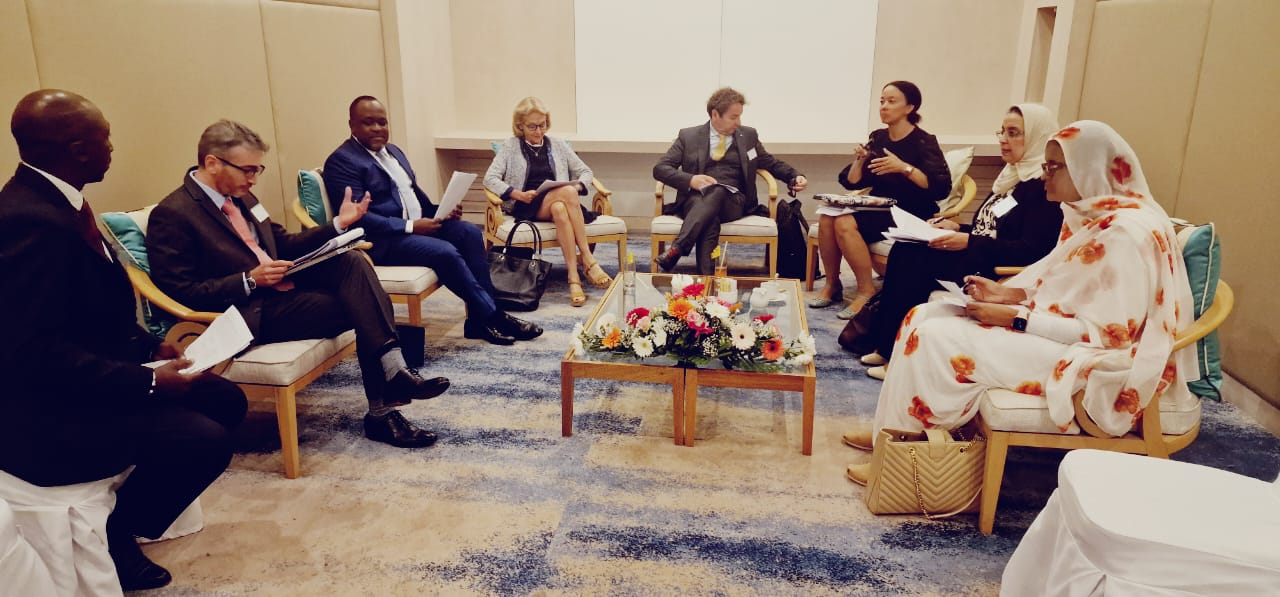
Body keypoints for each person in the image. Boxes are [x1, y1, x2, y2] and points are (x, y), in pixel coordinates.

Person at [844, 121, 1198, 486]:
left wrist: (1015, 318)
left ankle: (904, 463)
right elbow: (1067, 294)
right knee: (924, 314)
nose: (1044, 175)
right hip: (1064, 337)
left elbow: (1108, 337)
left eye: (1054, 167)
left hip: (1101, 362)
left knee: (935, 338)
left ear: (1088, 168)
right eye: (1045, 165)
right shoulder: (1093, 216)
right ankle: (889, 432)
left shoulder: (1126, 234)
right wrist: (1008, 295)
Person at [0, 90, 247, 591]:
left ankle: (125, 517)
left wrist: (150, 348)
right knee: (202, 441)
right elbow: (32, 352)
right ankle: (117, 533)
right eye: (105, 137)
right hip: (47, 411)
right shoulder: (27, 221)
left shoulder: (62, 203)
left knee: (225, 400)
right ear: (78, 149)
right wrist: (149, 382)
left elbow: (90, 313)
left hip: (91, 375)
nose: (112, 147)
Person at [147, 119, 449, 450]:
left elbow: (282, 243)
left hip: (282, 289)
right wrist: (248, 280)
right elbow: (181, 290)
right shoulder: (173, 213)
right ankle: (385, 404)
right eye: (248, 170)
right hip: (247, 311)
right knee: (362, 303)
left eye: (258, 169)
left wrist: (338, 225)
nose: (254, 179)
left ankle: (392, 377)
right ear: (212, 163)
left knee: (352, 262)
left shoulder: (242, 197)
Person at [845, 104, 1064, 379]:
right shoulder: (1011, 179)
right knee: (906, 248)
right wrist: (957, 227)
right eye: (1002, 132)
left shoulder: (1042, 188)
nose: (1003, 140)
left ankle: (897, 358)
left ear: (1036, 137)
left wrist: (968, 241)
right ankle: (887, 344)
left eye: (1014, 133)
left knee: (914, 260)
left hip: (994, 269)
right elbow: (991, 228)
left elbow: (1031, 250)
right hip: (980, 253)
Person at [325, 95, 542, 342]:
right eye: (368, 122)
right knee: (444, 252)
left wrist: (442, 211)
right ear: (352, 125)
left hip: (413, 228)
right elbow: (359, 218)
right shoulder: (342, 161)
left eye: (382, 122)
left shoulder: (394, 152)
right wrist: (410, 226)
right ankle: (494, 316)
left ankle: (477, 323)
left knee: (469, 232)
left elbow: (414, 198)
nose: (377, 128)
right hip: (379, 240)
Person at [810, 81, 950, 319]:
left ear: (910, 107)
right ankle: (832, 284)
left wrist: (904, 168)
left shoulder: (924, 141)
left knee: (844, 222)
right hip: (879, 207)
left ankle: (866, 291)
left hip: (911, 211)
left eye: (891, 101)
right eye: (882, 101)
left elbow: (941, 188)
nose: (884, 106)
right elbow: (851, 181)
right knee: (826, 216)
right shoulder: (878, 137)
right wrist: (860, 160)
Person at [653, 87, 808, 274]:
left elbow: (770, 163)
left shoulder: (748, 136)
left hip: (734, 202)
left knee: (717, 191)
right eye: (733, 117)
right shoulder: (689, 136)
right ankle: (708, 281)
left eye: (740, 116)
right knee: (710, 219)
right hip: (695, 200)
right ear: (715, 114)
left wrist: (793, 176)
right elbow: (660, 169)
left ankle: (677, 248)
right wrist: (691, 180)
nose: (738, 122)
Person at [484, 96, 607, 307]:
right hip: (527, 205)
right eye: (532, 126)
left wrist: (579, 186)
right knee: (567, 193)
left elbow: (585, 171)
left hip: (558, 201)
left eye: (542, 125)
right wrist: (517, 194)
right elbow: (490, 179)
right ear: (520, 125)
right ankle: (588, 259)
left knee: (560, 208)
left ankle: (573, 278)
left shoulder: (558, 144)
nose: (538, 131)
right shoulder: (510, 146)